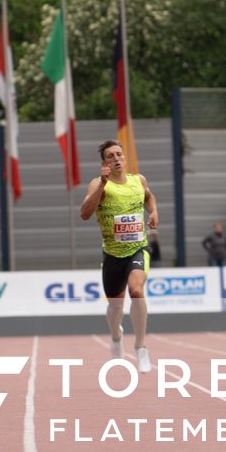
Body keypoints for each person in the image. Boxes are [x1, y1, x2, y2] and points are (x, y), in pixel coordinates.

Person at [80, 138, 158, 373]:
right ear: (104, 163)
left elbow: (149, 198)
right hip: (113, 255)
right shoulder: (98, 184)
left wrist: (153, 212)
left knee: (136, 290)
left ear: (125, 158)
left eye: (119, 155)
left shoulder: (138, 180)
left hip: (138, 248)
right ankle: (116, 338)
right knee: (115, 307)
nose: (116, 159)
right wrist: (102, 186)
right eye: (110, 156)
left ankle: (141, 347)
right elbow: (84, 213)